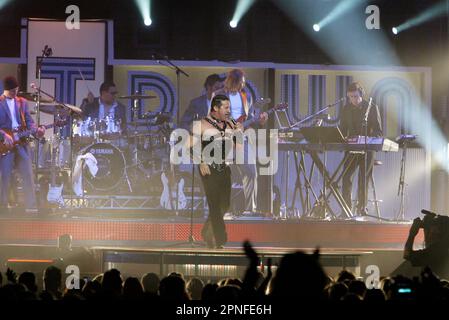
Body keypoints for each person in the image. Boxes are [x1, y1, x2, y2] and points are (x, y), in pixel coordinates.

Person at [214, 69, 268, 214]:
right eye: (240, 81)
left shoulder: (246, 96)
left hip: (240, 138)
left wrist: (260, 120)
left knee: (251, 172)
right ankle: (222, 210)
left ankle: (250, 210)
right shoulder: (219, 95)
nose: (242, 84)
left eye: (243, 82)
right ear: (233, 80)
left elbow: (250, 118)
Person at [194, 94, 241, 248]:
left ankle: (207, 231)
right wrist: (201, 161)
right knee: (214, 204)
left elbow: (236, 147)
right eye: (226, 107)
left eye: (230, 107)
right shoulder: (202, 123)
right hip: (208, 167)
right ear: (215, 108)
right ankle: (219, 240)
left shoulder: (229, 124)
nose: (229, 110)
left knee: (225, 204)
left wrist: (237, 132)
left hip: (224, 166)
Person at [0, 76, 45, 212]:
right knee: (5, 175)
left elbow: (30, 121)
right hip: (5, 143)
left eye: (16, 90)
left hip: (21, 141)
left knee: (27, 172)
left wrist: (37, 130)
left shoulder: (22, 102)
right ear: (5, 90)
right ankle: (3, 206)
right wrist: (3, 134)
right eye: (11, 91)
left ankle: (31, 206)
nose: (14, 93)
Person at [339, 82, 382, 216]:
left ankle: (361, 209)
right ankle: (345, 210)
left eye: (356, 97)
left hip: (367, 149)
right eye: (350, 97)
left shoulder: (372, 107)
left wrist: (367, 138)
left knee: (363, 178)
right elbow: (342, 129)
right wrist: (338, 137)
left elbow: (378, 132)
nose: (353, 100)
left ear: (361, 95)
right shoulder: (346, 109)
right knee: (346, 177)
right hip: (351, 148)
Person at [403, 212, 449, 279]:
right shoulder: (443, 247)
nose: (429, 230)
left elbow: (407, 255)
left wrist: (412, 233)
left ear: (438, 231)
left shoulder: (435, 251)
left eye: (432, 227)